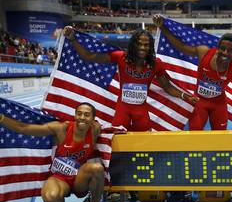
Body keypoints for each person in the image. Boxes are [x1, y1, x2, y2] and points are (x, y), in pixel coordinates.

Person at [63, 26, 198, 132]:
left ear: (150, 47)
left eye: (146, 45)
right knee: (117, 139)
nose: (142, 48)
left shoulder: (156, 64)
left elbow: (167, 86)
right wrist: (73, 39)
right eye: (139, 44)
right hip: (123, 109)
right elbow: (89, 56)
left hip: (141, 111)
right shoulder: (121, 57)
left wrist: (184, 96)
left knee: (144, 142)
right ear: (133, 44)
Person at [0, 103, 117, 202]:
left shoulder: (95, 129)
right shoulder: (61, 129)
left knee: (97, 168)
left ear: (93, 119)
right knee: (50, 198)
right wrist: (2, 118)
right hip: (59, 178)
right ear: (75, 115)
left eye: (87, 115)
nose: (82, 117)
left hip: (79, 179)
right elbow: (23, 128)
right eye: (79, 113)